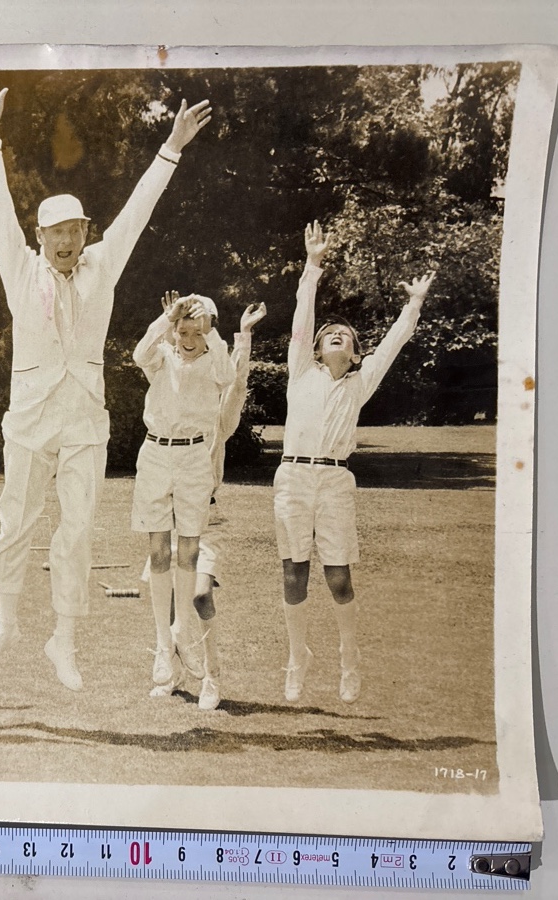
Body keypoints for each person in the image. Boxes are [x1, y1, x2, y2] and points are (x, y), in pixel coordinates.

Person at [0, 75, 212, 691]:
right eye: (56, 233)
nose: (68, 241)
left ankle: (64, 642)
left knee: (77, 530)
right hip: (29, 419)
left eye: (76, 230)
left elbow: (138, 210)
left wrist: (171, 148)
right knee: (15, 521)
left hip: (83, 421)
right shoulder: (21, 269)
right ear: (40, 238)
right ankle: (5, 621)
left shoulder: (102, 264)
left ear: (85, 232)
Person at [276, 221, 435, 703]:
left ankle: (349, 659)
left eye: (346, 335)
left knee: (339, 577)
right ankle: (296, 656)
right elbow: (303, 317)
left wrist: (414, 303)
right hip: (292, 478)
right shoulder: (300, 371)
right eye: (331, 335)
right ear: (317, 348)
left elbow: (392, 345)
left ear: (354, 351)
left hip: (335, 482)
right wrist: (313, 264)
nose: (337, 337)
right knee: (293, 573)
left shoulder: (360, 384)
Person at [139, 295, 266, 710]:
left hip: (199, 497)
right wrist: (168, 318)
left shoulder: (218, 385)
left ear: (210, 333)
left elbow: (234, 377)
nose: (190, 338)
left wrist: (239, 335)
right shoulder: (163, 359)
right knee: (166, 573)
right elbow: (142, 352)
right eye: (184, 331)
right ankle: (170, 652)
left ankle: (211, 672)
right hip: (160, 468)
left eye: (200, 331)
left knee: (198, 593)